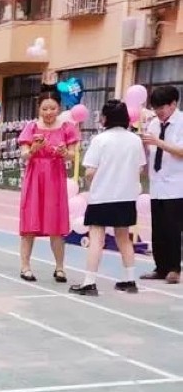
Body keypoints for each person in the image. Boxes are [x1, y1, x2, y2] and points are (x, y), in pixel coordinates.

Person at [69, 100, 147, 297]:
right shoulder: (135, 140)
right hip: (126, 196)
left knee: (96, 237)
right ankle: (130, 280)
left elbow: (90, 171)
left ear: (105, 118)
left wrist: (100, 176)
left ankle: (89, 282)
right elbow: (140, 168)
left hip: (102, 196)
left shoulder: (100, 140)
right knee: (124, 238)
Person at [17, 87, 80, 282]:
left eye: (52, 108)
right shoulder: (31, 127)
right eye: (44, 109)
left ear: (59, 108)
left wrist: (64, 153)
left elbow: (72, 154)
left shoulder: (67, 128)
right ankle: (25, 266)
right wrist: (33, 149)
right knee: (30, 223)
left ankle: (60, 268)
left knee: (56, 225)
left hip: (55, 178)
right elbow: (24, 154)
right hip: (35, 177)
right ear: (38, 108)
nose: (48, 112)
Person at [141, 84, 183, 285]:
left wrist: (158, 142)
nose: (158, 112)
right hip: (157, 183)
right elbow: (150, 151)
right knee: (157, 228)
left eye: (162, 107)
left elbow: (181, 151)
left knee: (173, 228)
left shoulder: (181, 122)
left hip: (176, 185)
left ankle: (174, 268)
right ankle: (160, 267)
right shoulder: (154, 124)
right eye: (155, 107)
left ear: (173, 104)